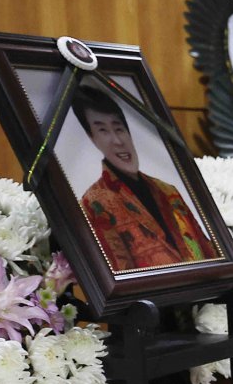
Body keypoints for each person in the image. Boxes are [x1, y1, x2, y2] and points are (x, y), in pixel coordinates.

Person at [70, 85, 218, 272]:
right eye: (103, 131)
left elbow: (209, 253)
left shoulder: (168, 190)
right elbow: (120, 277)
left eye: (119, 128)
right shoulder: (95, 204)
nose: (117, 140)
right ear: (92, 139)